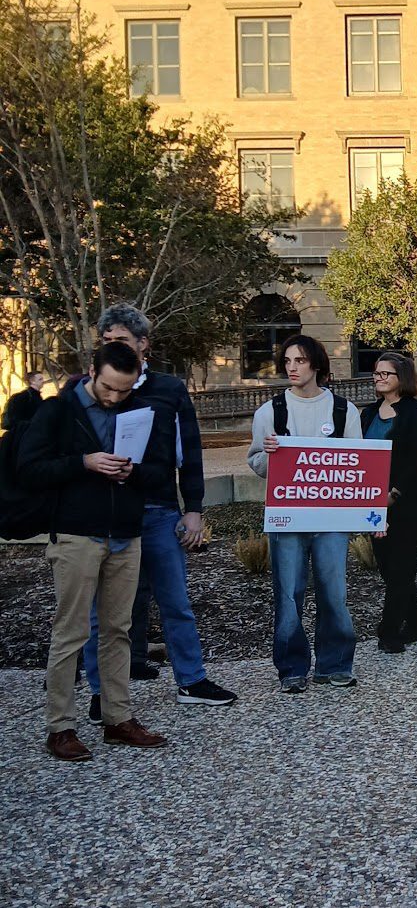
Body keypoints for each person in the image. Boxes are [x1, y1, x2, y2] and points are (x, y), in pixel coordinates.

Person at [80, 304, 236, 718]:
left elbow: (189, 452)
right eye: (107, 342)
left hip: (158, 509)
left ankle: (191, 679)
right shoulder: (87, 389)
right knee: (102, 612)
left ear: (143, 344)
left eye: (121, 341)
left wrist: (194, 508)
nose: (113, 348)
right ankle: (101, 692)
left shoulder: (169, 389)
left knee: (175, 602)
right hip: (106, 512)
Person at [20, 342, 167, 761]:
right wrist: (83, 462)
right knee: (71, 631)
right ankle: (60, 727)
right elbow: (28, 468)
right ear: (91, 371)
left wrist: (132, 471)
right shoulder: (57, 411)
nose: (115, 396)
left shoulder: (140, 410)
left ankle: (117, 718)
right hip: (76, 534)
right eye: (108, 387)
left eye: (125, 389)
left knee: (119, 629)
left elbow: (160, 472)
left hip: (125, 534)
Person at [247, 334, 363, 693]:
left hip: (332, 519)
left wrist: (367, 515)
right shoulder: (270, 412)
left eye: (299, 360)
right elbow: (256, 462)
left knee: (334, 593)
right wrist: (271, 456)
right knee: (288, 594)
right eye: (287, 361)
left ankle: (335, 664)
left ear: (316, 364)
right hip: (288, 519)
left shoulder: (344, 411)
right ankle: (292, 668)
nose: (292, 367)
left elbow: (359, 465)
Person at [360, 352, 417, 654]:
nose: (378, 378)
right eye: (376, 373)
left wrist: (394, 493)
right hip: (374, 502)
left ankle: (389, 631)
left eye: (385, 374)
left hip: (411, 500)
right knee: (388, 566)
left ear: (401, 378)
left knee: (403, 565)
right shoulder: (367, 414)